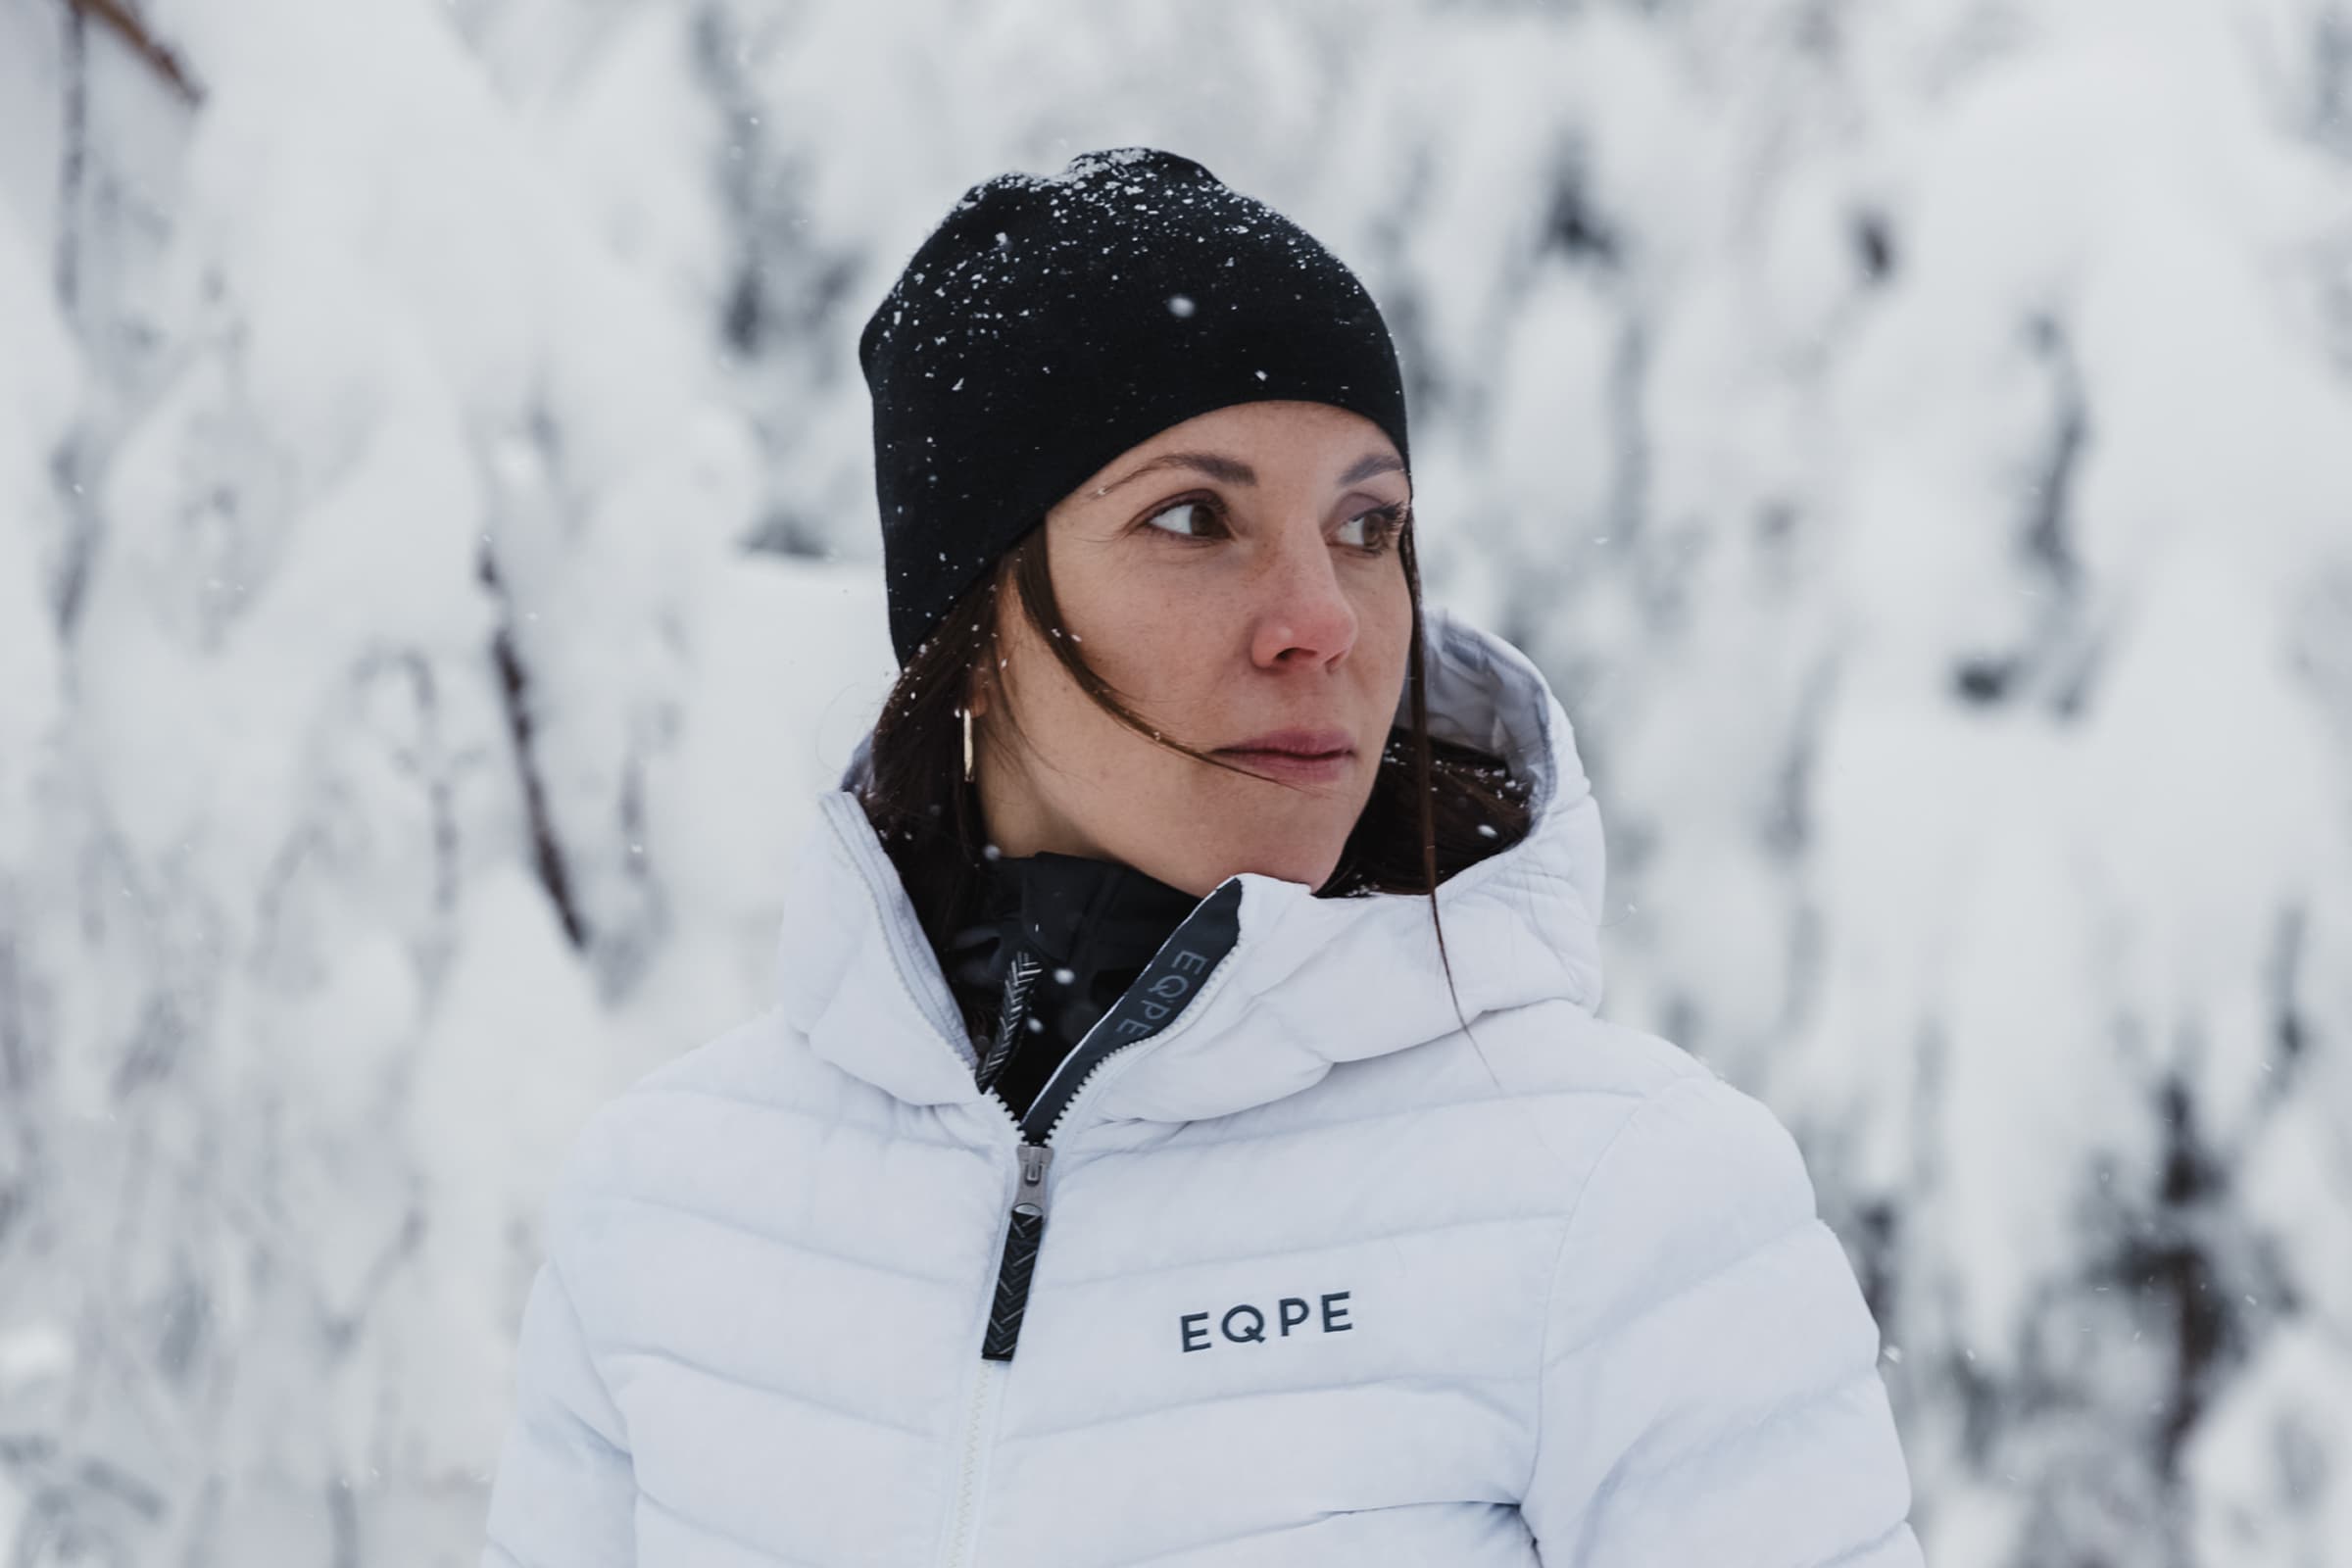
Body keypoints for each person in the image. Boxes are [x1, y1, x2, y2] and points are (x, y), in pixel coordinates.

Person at [479, 146, 1924, 1567]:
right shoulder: (672, 1202)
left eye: (1368, 527)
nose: (1326, 619)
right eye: (1194, 517)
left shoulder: (1627, 1198)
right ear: (971, 635)